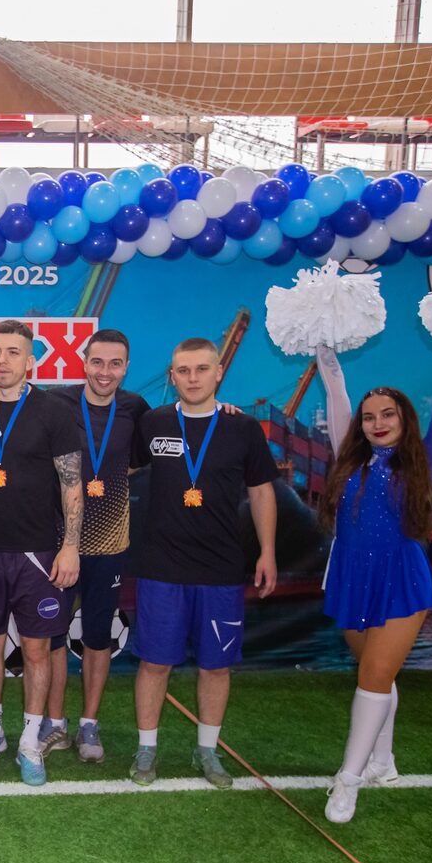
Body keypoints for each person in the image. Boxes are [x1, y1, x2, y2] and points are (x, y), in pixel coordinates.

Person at [316, 325, 432, 823]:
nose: (376, 423)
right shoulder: (348, 459)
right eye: (369, 417)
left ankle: (348, 781)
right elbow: (335, 388)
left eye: (387, 414)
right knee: (377, 671)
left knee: (374, 674)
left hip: (400, 577)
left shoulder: (425, 458)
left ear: (403, 418)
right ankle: (382, 760)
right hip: (351, 576)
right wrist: (321, 338)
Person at [129, 338, 278, 790]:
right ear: (172, 376)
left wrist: (268, 551)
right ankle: (146, 748)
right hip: (161, 566)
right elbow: (121, 468)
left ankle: (208, 750)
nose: (192, 378)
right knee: (155, 662)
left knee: (216, 666)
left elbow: (261, 492)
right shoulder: (153, 423)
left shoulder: (243, 427)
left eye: (201, 369)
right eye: (183, 370)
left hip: (220, 569)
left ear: (218, 373)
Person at [0, 319, 84, 786]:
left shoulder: (54, 411)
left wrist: (70, 547)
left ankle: (31, 739)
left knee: (36, 649)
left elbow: (72, 485)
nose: (2, 360)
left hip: (38, 552)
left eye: (13, 352)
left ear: (30, 361)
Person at [44, 329, 151, 764]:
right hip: (58, 542)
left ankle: (89, 722)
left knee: (97, 635)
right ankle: (54, 722)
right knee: (52, 636)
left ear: (126, 367)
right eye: (98, 362)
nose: (105, 372)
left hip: (110, 543)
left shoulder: (135, 408)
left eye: (115, 364)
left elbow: (146, 455)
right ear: (84, 362)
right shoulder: (57, 402)